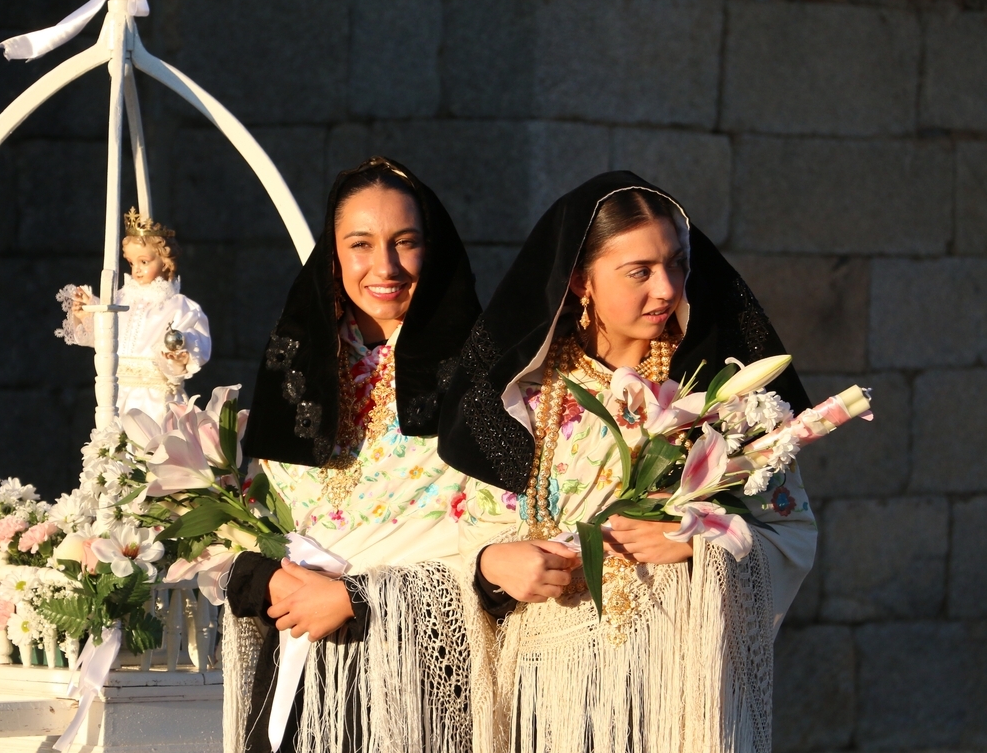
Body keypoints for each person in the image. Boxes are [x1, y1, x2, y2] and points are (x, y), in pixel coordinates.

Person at [438, 171, 817, 753]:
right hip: (550, 696)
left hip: (679, 689)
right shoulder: (518, 401)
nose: (666, 288)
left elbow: (790, 534)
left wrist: (702, 541)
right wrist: (492, 565)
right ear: (580, 281)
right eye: (639, 271)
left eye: (677, 264)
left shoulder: (720, 399)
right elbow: (468, 540)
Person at [223, 157, 482, 753]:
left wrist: (352, 598)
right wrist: (269, 582)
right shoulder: (297, 368)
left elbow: (495, 548)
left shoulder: (483, 379)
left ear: (432, 249)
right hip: (299, 667)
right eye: (361, 244)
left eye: (405, 242)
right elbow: (251, 532)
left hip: (419, 679)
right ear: (333, 255)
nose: (385, 267)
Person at [56, 208, 211, 421]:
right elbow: (107, 332)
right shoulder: (122, 299)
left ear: (164, 261)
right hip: (118, 395)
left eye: (144, 262)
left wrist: (179, 350)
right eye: (131, 263)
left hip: (155, 399)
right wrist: (88, 312)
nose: (136, 269)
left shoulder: (179, 306)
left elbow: (194, 340)